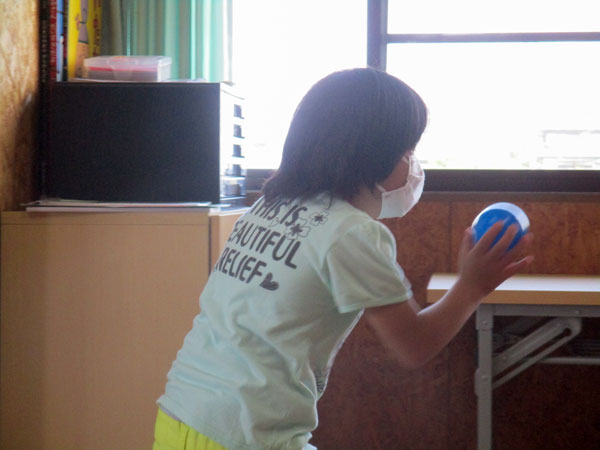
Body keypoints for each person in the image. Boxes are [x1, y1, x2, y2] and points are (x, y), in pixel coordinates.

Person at [153, 68, 533, 450]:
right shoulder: (352, 232)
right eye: (408, 152)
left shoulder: (267, 208)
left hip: (180, 417)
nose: (414, 165)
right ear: (374, 154)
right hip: (246, 436)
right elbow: (414, 344)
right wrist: (472, 286)